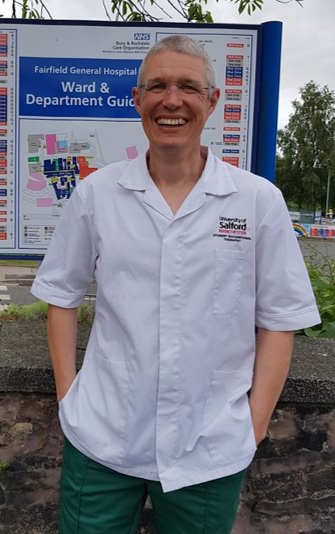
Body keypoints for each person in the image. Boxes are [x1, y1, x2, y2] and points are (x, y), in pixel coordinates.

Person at [31, 34, 320, 533]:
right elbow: (61, 294)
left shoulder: (256, 202)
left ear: (212, 101)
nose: (172, 100)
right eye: (157, 86)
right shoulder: (97, 193)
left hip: (208, 447)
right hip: (102, 439)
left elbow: (280, 320)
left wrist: (250, 429)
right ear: (137, 99)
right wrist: (69, 399)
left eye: (188, 86)